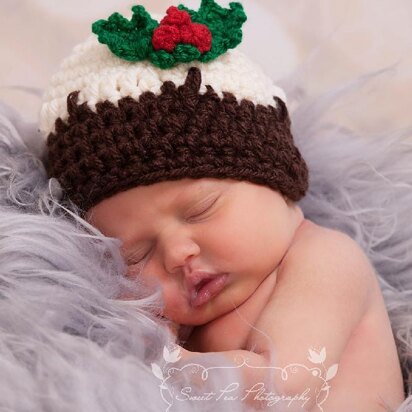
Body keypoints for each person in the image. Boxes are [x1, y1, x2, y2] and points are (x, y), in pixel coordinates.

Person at [39, 1, 405, 409]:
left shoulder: (325, 260)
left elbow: (283, 388)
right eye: (137, 253)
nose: (178, 253)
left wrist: (154, 357)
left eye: (201, 209)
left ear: (276, 176)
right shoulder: (189, 322)